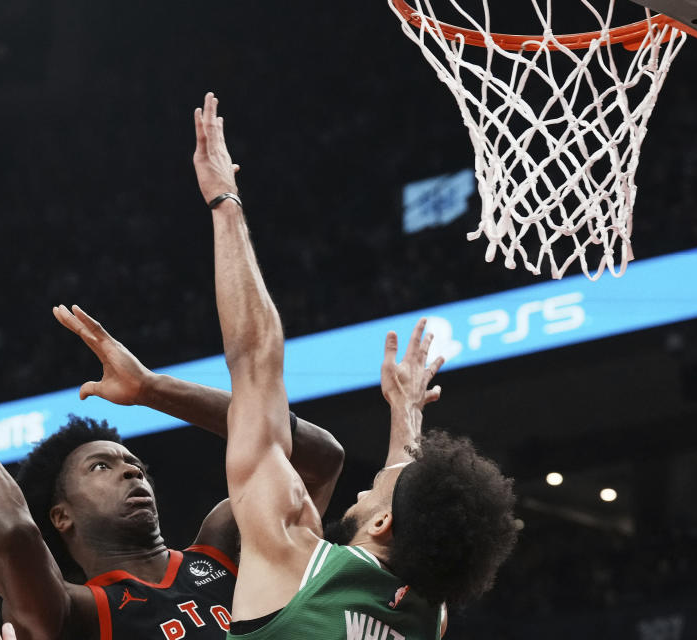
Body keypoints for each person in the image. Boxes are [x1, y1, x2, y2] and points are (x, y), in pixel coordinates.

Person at [192, 91, 518, 638]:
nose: (371, 484)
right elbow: (406, 489)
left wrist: (224, 201)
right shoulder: (425, 616)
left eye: (380, 490)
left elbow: (255, 359)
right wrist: (405, 413)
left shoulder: (293, 552)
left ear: (385, 522)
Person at [0, 304, 343, 638]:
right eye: (101, 466)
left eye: (135, 465)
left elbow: (318, 459)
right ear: (61, 516)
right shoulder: (78, 613)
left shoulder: (222, 547)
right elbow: (14, 533)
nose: (132, 474)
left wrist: (151, 389)